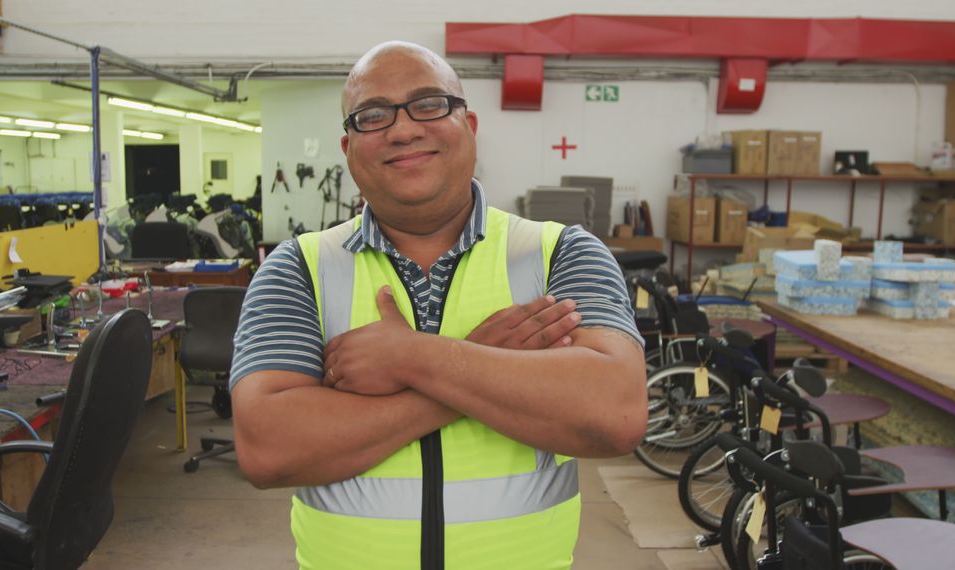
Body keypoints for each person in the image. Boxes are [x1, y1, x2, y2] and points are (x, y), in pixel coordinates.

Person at [229, 40, 647, 570]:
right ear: (348, 147)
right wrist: (475, 360)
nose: (402, 129)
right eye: (373, 115)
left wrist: (410, 358)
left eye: (428, 103)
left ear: (469, 125)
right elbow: (268, 448)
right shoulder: (298, 269)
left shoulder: (559, 253)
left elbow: (616, 414)